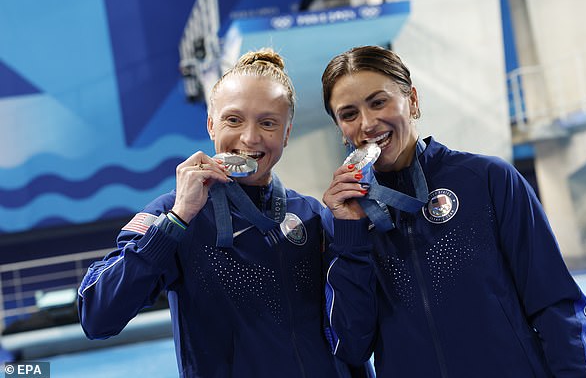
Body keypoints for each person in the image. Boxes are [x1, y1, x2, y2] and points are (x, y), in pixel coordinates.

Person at [78, 48, 370, 378]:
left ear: (286, 134)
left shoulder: (310, 215)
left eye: (268, 123)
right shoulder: (172, 215)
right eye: (233, 119)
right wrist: (177, 220)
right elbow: (97, 317)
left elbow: (351, 336)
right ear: (210, 125)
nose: (249, 137)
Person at [320, 45, 586, 377]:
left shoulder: (487, 179)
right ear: (340, 128)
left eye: (378, 102)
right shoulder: (344, 219)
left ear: (412, 101)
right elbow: (352, 345)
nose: (367, 123)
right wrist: (352, 236)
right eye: (349, 114)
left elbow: (555, 303)